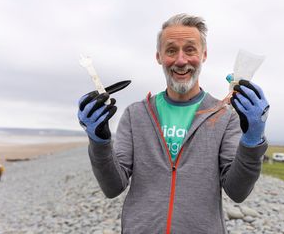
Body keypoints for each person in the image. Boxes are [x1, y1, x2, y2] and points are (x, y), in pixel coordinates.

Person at [77, 13, 270, 233]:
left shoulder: (224, 117)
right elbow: (113, 187)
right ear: (159, 56)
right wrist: (99, 141)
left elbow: (238, 191)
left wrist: (253, 140)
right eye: (171, 50)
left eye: (190, 49)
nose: (180, 60)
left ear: (203, 55)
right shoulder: (135, 114)